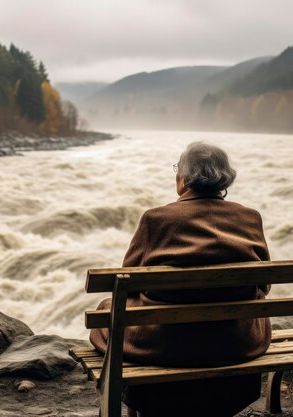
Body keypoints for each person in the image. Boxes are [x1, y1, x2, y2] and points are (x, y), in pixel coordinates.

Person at [89, 142, 271, 417]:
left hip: (164, 347)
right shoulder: (250, 218)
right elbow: (264, 285)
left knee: (107, 308)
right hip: (236, 343)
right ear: (225, 177)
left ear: (183, 179)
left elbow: (127, 283)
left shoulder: (156, 219)